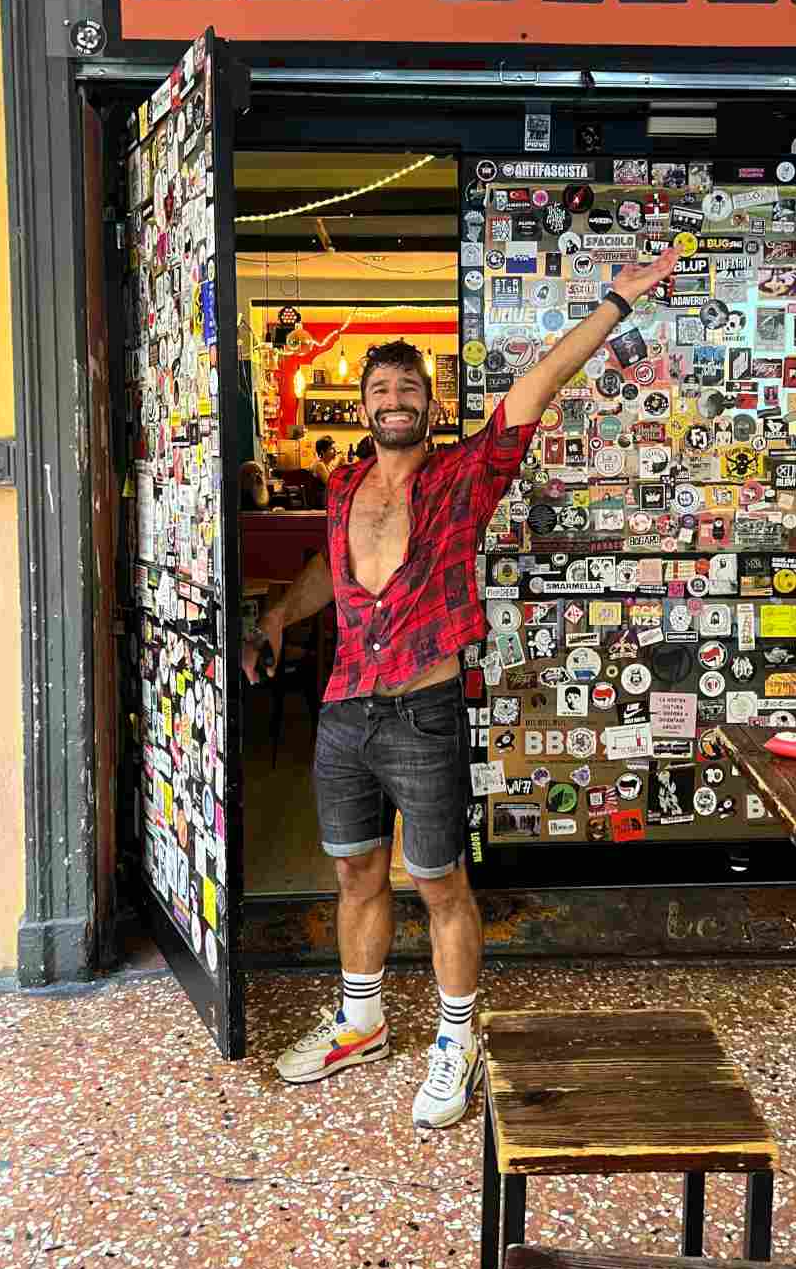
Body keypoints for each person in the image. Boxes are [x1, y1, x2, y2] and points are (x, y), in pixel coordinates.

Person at [242, 249, 679, 1129]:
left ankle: (456, 1039)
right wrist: (280, 617)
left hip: (425, 709)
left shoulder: (464, 476)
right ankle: (361, 1022)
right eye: (380, 392)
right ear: (364, 409)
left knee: (440, 882)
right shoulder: (341, 485)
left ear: (429, 405)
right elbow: (330, 572)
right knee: (356, 873)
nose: (393, 402)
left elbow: (537, 385)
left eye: (408, 389)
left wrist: (611, 305)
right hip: (344, 711)